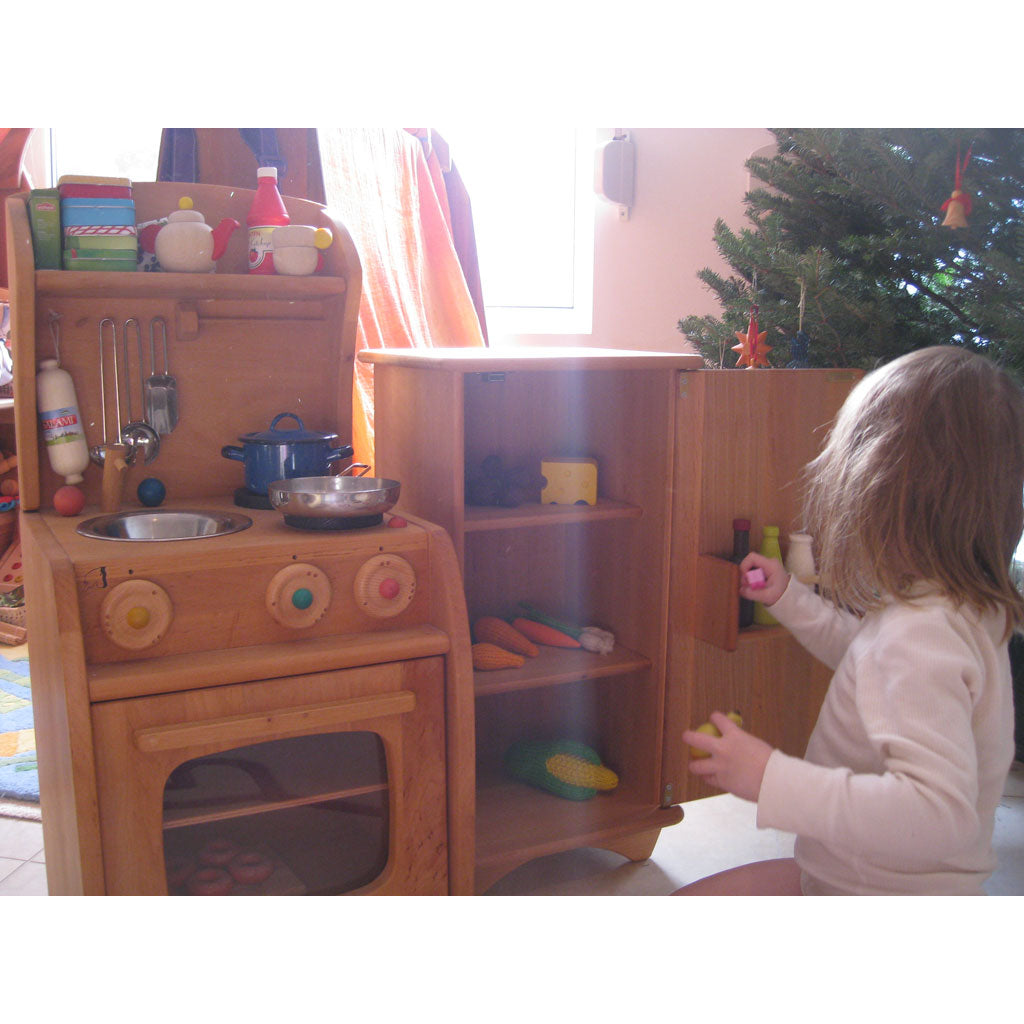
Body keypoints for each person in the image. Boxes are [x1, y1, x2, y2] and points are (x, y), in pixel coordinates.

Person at [676, 346, 1024, 895]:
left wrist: (774, 779)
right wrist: (789, 598)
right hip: (873, 880)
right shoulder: (959, 608)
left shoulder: (918, 634)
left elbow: (939, 815)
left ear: (875, 498)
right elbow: (866, 662)